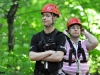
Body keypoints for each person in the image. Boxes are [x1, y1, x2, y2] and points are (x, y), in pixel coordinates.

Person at [29, 3, 66, 75]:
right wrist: (49, 52)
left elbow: (58, 57)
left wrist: (39, 56)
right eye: (43, 16)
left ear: (54, 18)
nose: (44, 18)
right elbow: (32, 56)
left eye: (47, 16)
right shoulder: (36, 37)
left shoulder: (61, 36)